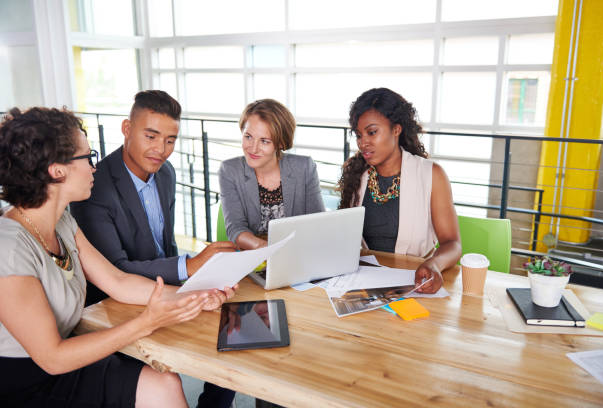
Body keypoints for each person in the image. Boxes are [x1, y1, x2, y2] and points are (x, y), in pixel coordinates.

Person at [0, 107, 236, 407]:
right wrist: (145, 323)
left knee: (165, 383)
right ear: (57, 170)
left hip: (67, 362)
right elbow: (52, 358)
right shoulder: (8, 247)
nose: (94, 167)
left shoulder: (62, 222)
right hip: (28, 384)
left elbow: (119, 281)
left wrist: (196, 296)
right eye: (87, 157)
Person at [71, 90, 237, 407]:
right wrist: (188, 267)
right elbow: (116, 271)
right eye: (151, 136)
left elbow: (165, 246)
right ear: (126, 129)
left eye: (170, 140)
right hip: (114, 304)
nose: (161, 150)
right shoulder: (93, 187)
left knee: (234, 319)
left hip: (160, 286)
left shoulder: (166, 174)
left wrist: (198, 279)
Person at [338, 88, 461, 294]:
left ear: (396, 130)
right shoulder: (357, 174)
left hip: (416, 282)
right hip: (363, 284)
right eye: (359, 135)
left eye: (372, 132)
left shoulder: (432, 174)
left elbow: (453, 244)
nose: (363, 142)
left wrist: (434, 264)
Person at [219, 99, 325, 250]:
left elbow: (318, 222)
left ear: (281, 143)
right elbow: (236, 229)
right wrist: (269, 250)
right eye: (248, 136)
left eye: (264, 141)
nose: (253, 149)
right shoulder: (229, 170)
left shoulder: (304, 167)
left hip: (299, 251)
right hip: (254, 254)